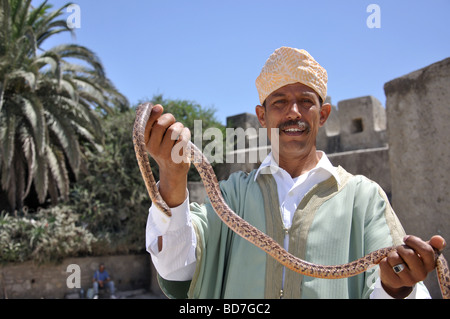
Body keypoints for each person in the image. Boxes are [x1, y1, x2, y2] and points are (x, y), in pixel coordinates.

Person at [144, 47, 446, 299]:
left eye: (305, 102)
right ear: (262, 116)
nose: (293, 113)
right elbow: (176, 270)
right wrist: (172, 176)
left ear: (323, 114)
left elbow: (403, 286)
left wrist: (394, 285)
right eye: (279, 103)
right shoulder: (229, 197)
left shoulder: (363, 199)